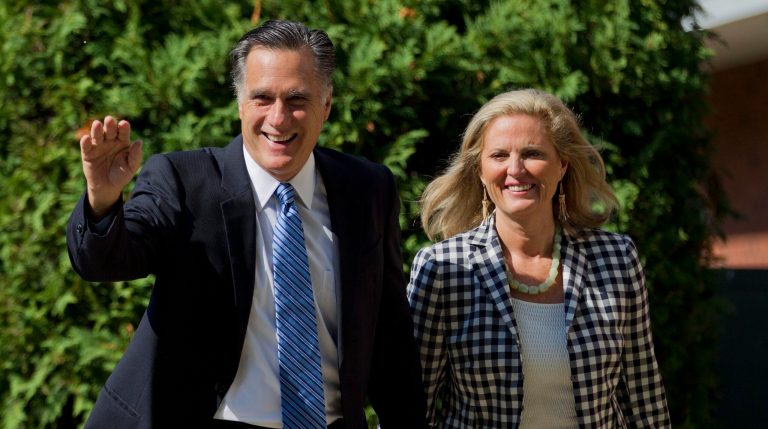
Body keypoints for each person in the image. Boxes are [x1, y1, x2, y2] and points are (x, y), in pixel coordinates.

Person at [67, 19, 426, 429]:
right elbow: (108, 260)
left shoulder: (367, 189)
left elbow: (390, 338)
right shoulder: (185, 182)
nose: (278, 117)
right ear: (240, 104)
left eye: (297, 99)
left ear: (326, 106)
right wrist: (103, 198)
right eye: (262, 98)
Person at [407, 89, 670, 428]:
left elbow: (643, 396)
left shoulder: (617, 259)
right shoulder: (443, 269)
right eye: (499, 155)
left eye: (532, 153)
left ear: (562, 165)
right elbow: (411, 405)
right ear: (480, 170)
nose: (515, 170)